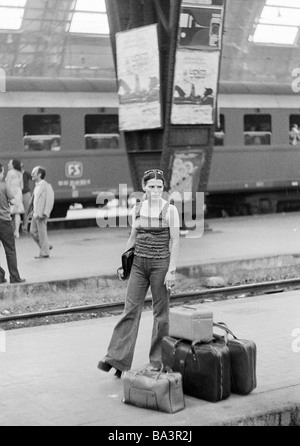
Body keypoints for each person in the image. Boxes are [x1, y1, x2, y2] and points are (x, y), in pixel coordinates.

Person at [98, 169, 180, 378]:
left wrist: (172, 270)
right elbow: (132, 237)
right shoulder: (137, 209)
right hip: (138, 265)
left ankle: (158, 361)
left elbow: (176, 241)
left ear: (163, 188)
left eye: (159, 187)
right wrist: (124, 264)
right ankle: (116, 358)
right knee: (130, 310)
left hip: (160, 264)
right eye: (151, 186)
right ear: (144, 187)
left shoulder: (170, 210)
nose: (155, 191)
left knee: (160, 315)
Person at [0, 163, 25, 284]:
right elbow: (14, 201)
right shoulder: (4, 187)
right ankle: (14, 277)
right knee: (10, 250)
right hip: (4, 222)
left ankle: (0, 276)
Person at [28, 166, 54, 259]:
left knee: (42, 234)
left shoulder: (47, 186)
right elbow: (36, 200)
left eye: (34, 173)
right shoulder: (36, 186)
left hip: (41, 214)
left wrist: (45, 213)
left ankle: (45, 252)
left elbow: (49, 201)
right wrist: (32, 211)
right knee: (32, 232)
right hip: (35, 213)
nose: (32, 175)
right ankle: (46, 246)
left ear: (39, 175)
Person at [5, 159, 24, 239]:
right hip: (18, 193)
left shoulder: (10, 172)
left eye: (9, 163)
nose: (8, 164)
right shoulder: (20, 173)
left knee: (8, 212)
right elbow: (22, 186)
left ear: (13, 164)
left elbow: (7, 184)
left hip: (11, 192)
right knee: (17, 213)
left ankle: (8, 231)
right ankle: (17, 231)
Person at [21, 163, 32, 234]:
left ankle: (24, 228)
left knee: (26, 211)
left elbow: (33, 179)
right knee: (16, 212)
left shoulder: (26, 174)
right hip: (18, 194)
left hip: (26, 193)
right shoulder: (16, 175)